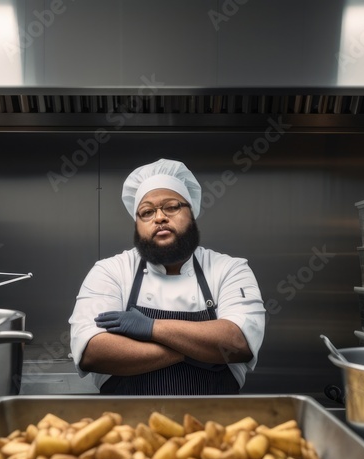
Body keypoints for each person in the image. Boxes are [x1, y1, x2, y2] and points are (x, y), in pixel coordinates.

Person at [69, 158, 266, 395]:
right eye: (147, 212)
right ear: (137, 224)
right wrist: (200, 351)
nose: (159, 217)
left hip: (214, 426)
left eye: (171, 207)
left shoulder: (230, 269)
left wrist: (152, 328)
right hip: (126, 427)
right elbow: (93, 352)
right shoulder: (110, 271)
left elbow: (237, 343)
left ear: (191, 213)